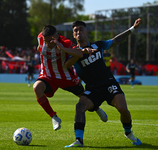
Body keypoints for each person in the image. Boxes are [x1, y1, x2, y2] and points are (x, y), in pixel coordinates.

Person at [53, 19, 142, 147]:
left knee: (123, 109)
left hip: (109, 83)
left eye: (81, 29)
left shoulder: (98, 45)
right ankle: (79, 140)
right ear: (73, 35)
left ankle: (128, 132)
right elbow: (67, 64)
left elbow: (116, 40)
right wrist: (79, 53)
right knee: (80, 107)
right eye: (75, 31)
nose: (78, 32)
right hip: (93, 89)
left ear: (87, 31)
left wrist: (132, 28)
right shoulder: (75, 53)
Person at [33, 25, 108, 131]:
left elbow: (78, 53)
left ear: (56, 36)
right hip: (47, 75)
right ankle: (54, 117)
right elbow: (39, 47)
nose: (47, 43)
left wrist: (65, 48)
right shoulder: (41, 37)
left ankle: (96, 108)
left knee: (83, 95)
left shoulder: (65, 42)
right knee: (37, 88)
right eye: (45, 41)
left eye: (50, 41)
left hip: (66, 77)